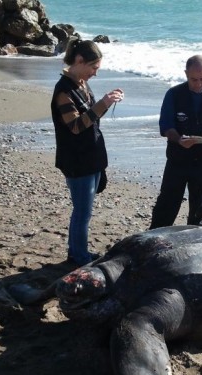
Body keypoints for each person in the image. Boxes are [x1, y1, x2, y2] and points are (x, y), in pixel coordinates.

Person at [51, 38, 124, 265]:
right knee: (82, 212)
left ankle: (78, 252)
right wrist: (103, 103)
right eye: (94, 67)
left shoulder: (81, 82)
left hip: (91, 156)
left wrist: (105, 102)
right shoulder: (64, 90)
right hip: (76, 160)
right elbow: (75, 126)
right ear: (80, 61)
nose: (95, 73)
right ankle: (78, 256)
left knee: (84, 211)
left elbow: (89, 117)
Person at [149, 55, 202, 229]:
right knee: (168, 201)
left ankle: (196, 239)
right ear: (186, 74)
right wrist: (178, 139)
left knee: (199, 203)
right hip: (178, 156)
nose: (199, 84)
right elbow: (165, 126)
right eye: (194, 79)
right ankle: (155, 237)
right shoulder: (174, 94)